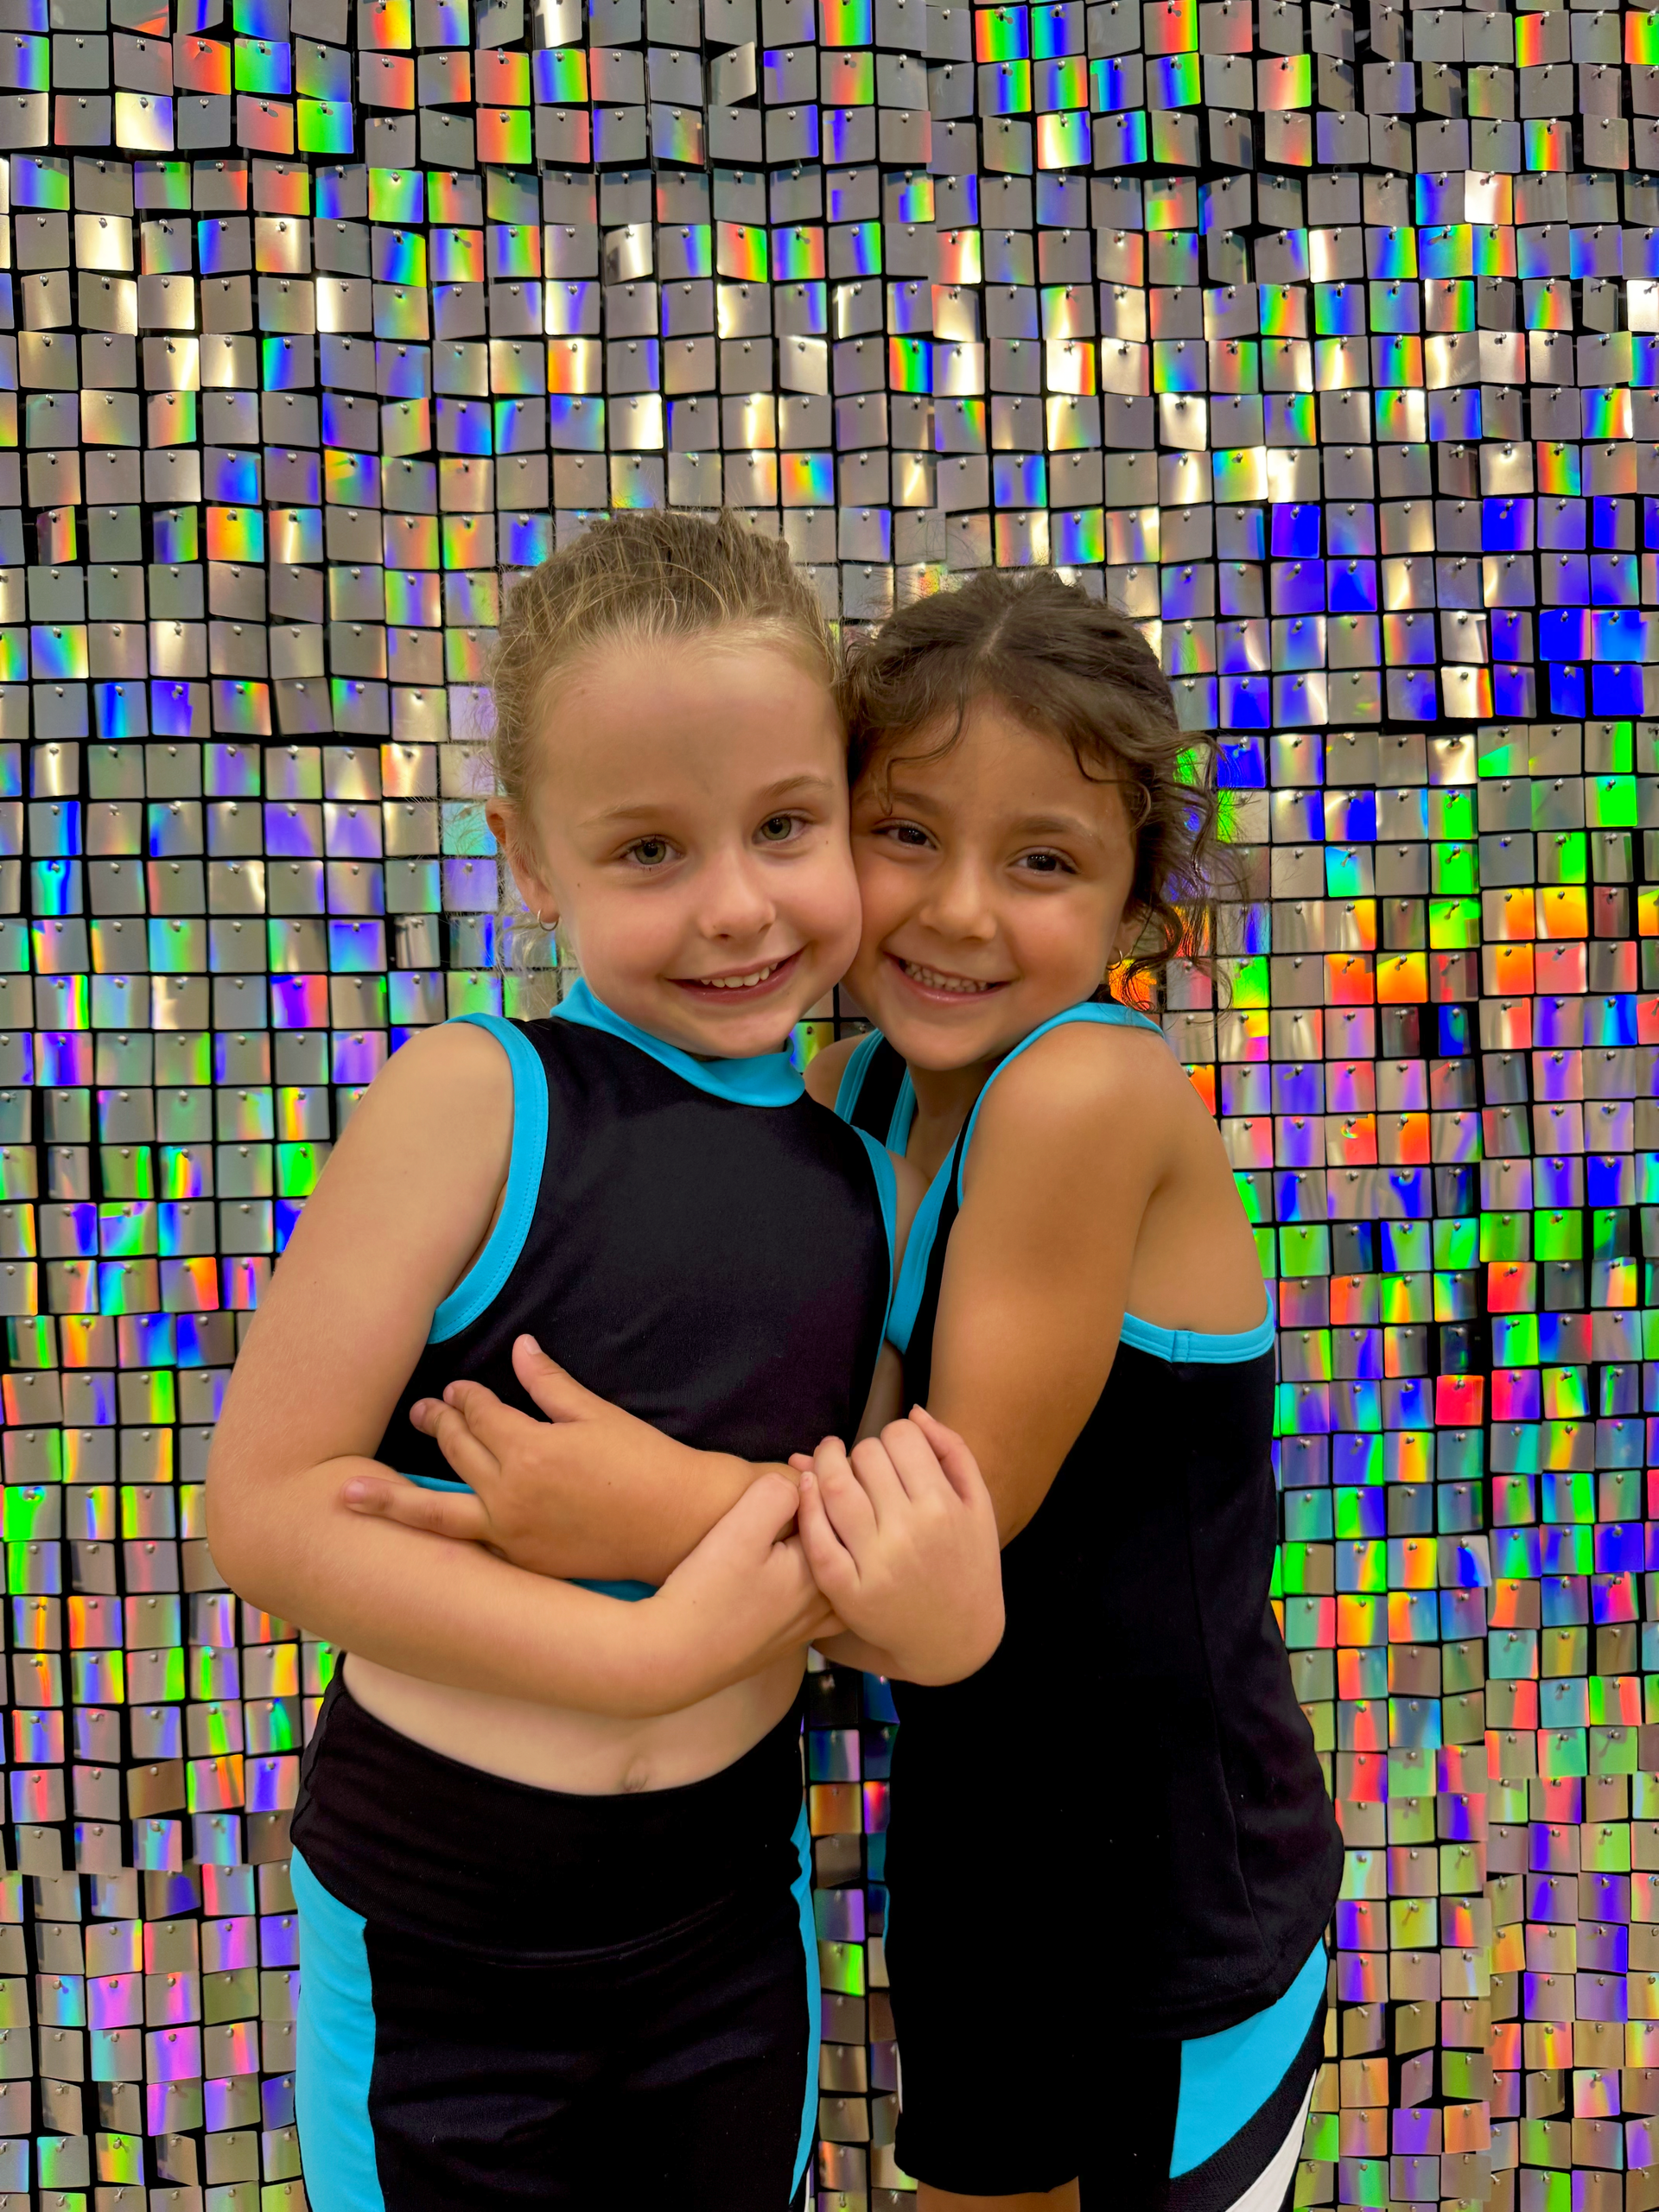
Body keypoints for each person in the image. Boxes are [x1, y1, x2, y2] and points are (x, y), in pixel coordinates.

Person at [346, 567, 1339, 2211]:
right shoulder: (851, 1087)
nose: (956, 910)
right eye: (907, 834)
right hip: (970, 1859)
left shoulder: (1085, 1087)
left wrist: (631, 1508)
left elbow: (952, 1523)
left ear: (1137, 907)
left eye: (1043, 862)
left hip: (1172, 1889)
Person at [206, 512, 1003, 2212]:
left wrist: (928, 1612)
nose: (735, 905)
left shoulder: (870, 1181)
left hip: (724, 1923)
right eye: (648, 848)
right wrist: (637, 1660)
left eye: (784, 827)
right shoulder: (476, 1097)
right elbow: (267, 1513)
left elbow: (856, 1550)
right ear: (530, 855)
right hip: (442, 1926)